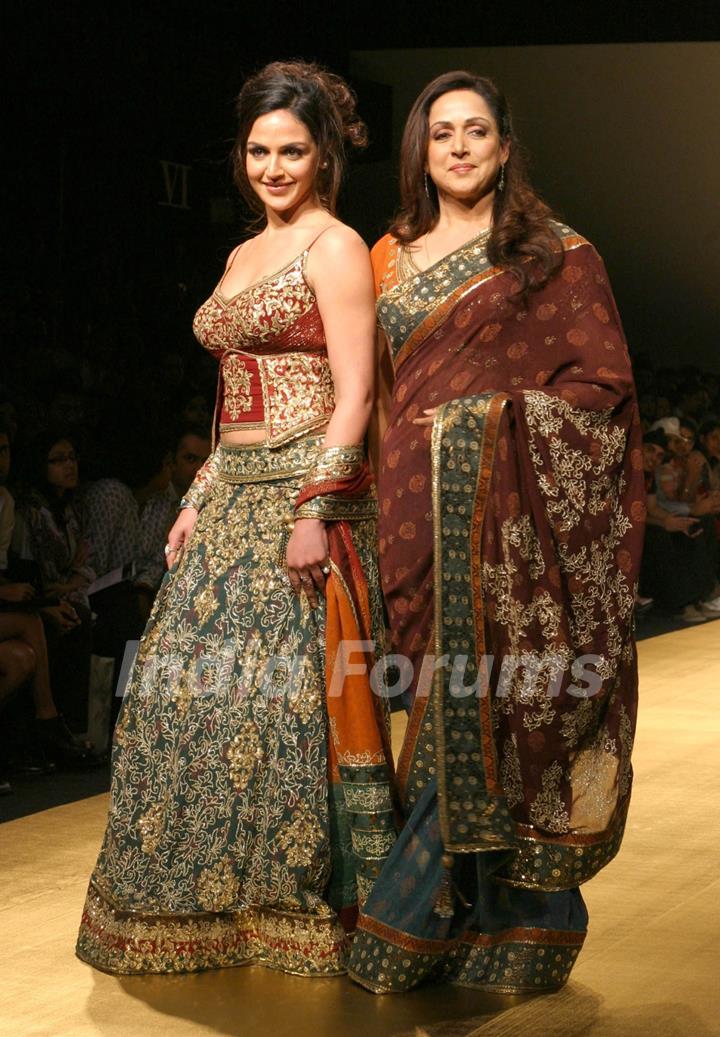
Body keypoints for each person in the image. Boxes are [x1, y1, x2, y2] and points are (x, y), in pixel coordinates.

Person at [76, 61, 395, 977]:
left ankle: (286, 907)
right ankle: (199, 901)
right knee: (186, 700)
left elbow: (357, 389)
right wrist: (197, 494)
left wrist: (319, 507)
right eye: (259, 150)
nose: (273, 166)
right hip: (232, 494)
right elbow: (230, 397)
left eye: (292, 150)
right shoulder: (239, 254)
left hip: (302, 490)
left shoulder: (334, 246)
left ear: (324, 152)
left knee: (286, 707)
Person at [348, 71, 645, 995]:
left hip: (503, 516)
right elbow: (374, 392)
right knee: (433, 700)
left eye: (478, 131)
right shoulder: (383, 256)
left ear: (506, 146)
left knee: (501, 707)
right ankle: (480, 917)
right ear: (419, 150)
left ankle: (446, 922)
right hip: (405, 508)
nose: (461, 148)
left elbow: (601, 392)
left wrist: (491, 430)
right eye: (443, 134)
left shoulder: (559, 255)